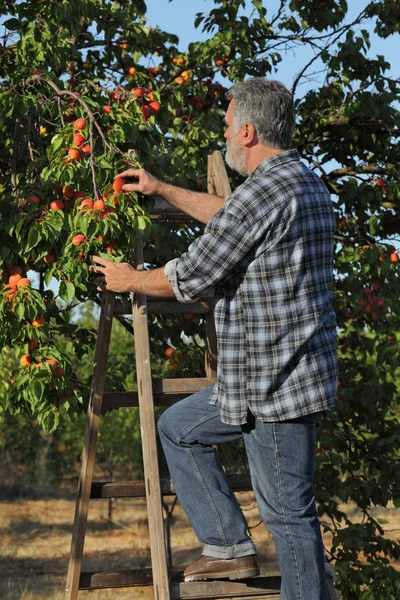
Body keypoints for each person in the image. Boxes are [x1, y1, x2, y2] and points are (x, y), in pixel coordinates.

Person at [90, 78, 338, 600]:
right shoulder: (300, 181)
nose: (224, 132)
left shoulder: (262, 195)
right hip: (266, 382)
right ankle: (228, 545)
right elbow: (230, 218)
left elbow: (193, 274)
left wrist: (130, 279)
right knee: (180, 426)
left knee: (290, 519)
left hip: (273, 391)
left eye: (227, 124)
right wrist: (161, 189)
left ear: (247, 131)